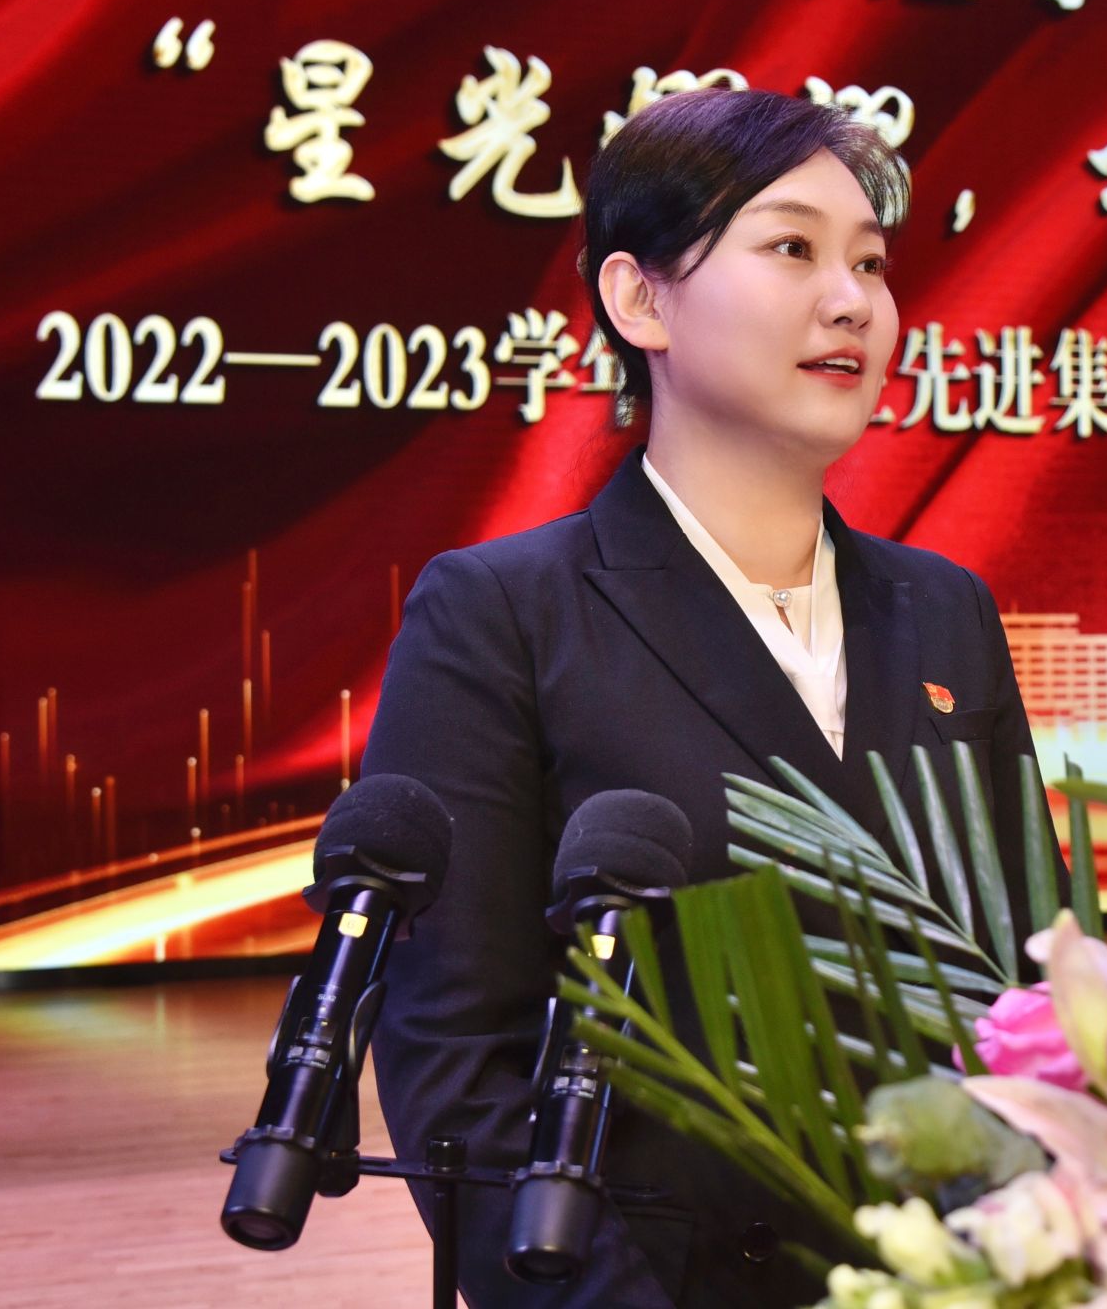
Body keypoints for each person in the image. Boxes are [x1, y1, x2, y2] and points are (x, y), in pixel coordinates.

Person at [361, 88, 1063, 1307]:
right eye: (791, 248)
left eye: (870, 263)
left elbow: (1035, 987)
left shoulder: (942, 607)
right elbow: (455, 1061)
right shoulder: (502, 613)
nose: (851, 301)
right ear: (639, 300)